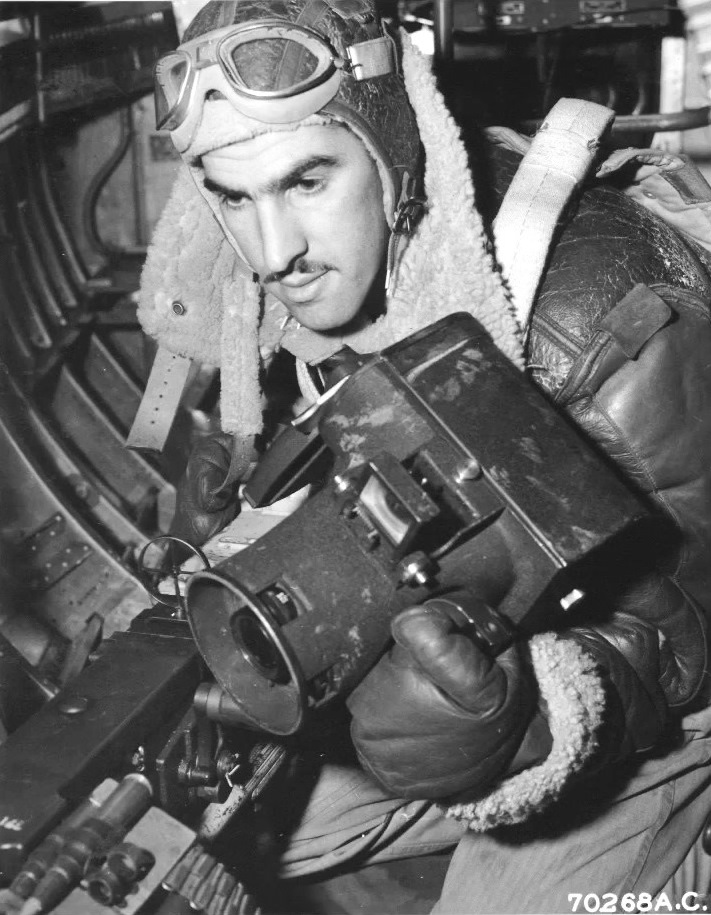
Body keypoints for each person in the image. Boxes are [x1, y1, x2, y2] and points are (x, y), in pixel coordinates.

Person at [138, 0, 711, 910]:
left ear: (395, 154)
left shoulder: (586, 319)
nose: (272, 250)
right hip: (506, 623)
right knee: (226, 808)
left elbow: (693, 628)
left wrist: (528, 721)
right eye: (234, 197)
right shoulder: (332, 283)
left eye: (307, 182)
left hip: (678, 691)